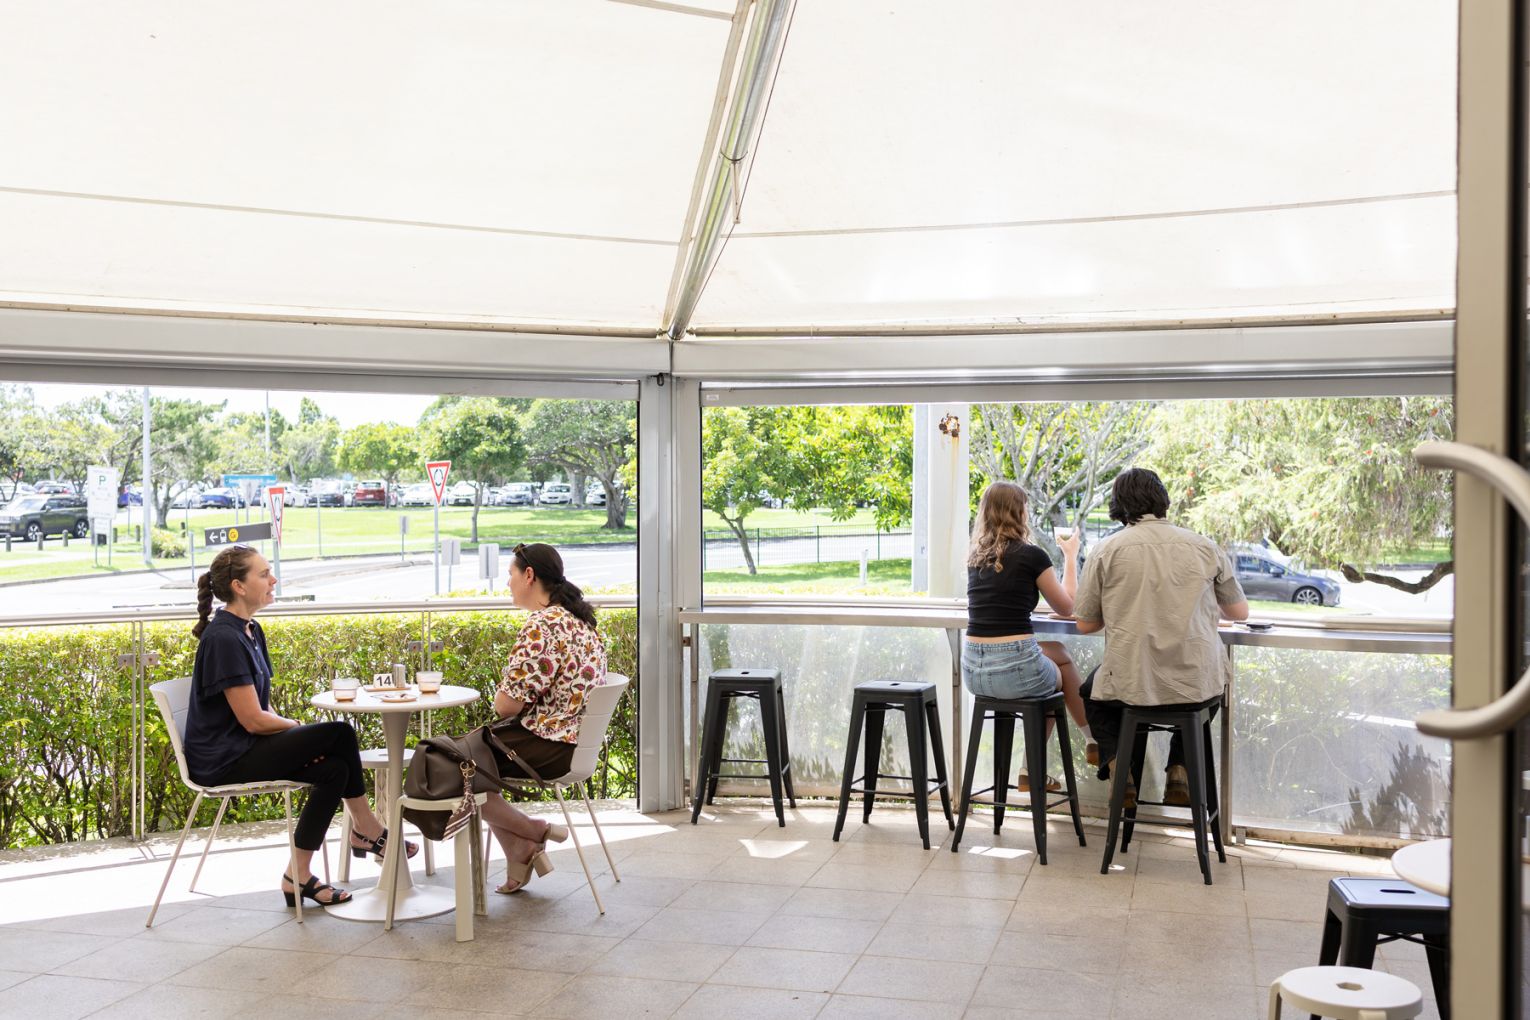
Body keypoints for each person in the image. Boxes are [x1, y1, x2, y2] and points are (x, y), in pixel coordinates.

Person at [183, 545, 415, 908]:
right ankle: (367, 829)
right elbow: (253, 720)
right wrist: (296, 729)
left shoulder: (250, 629)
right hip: (224, 759)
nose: (273, 580)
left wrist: (298, 739)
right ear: (239, 586)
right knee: (340, 733)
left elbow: (263, 706)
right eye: (264, 574)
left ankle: (297, 876)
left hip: (245, 746)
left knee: (335, 768)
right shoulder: (224, 638)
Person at [1072, 467, 1249, 806]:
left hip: (1134, 683)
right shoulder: (1204, 546)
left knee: (1090, 693)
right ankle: (1179, 767)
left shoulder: (1106, 550)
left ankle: (1119, 768)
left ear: (1119, 505)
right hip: (1196, 681)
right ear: (1163, 500)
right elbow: (1239, 613)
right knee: (1207, 693)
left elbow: (1085, 624)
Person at [481, 542, 608, 894]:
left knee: (455, 764)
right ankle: (520, 847)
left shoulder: (543, 625)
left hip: (551, 745)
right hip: (575, 745)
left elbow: (506, 706)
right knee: (470, 757)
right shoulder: (581, 622)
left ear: (529, 575)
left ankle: (532, 831)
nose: (507, 583)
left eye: (510, 574)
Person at [963, 481, 1094, 793]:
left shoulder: (975, 558)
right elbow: (1067, 607)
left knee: (1055, 654)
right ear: (1019, 512)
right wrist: (1071, 557)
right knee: (1055, 675)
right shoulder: (1031, 555)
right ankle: (1090, 740)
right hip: (1015, 669)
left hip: (974, 673)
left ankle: (1030, 770)